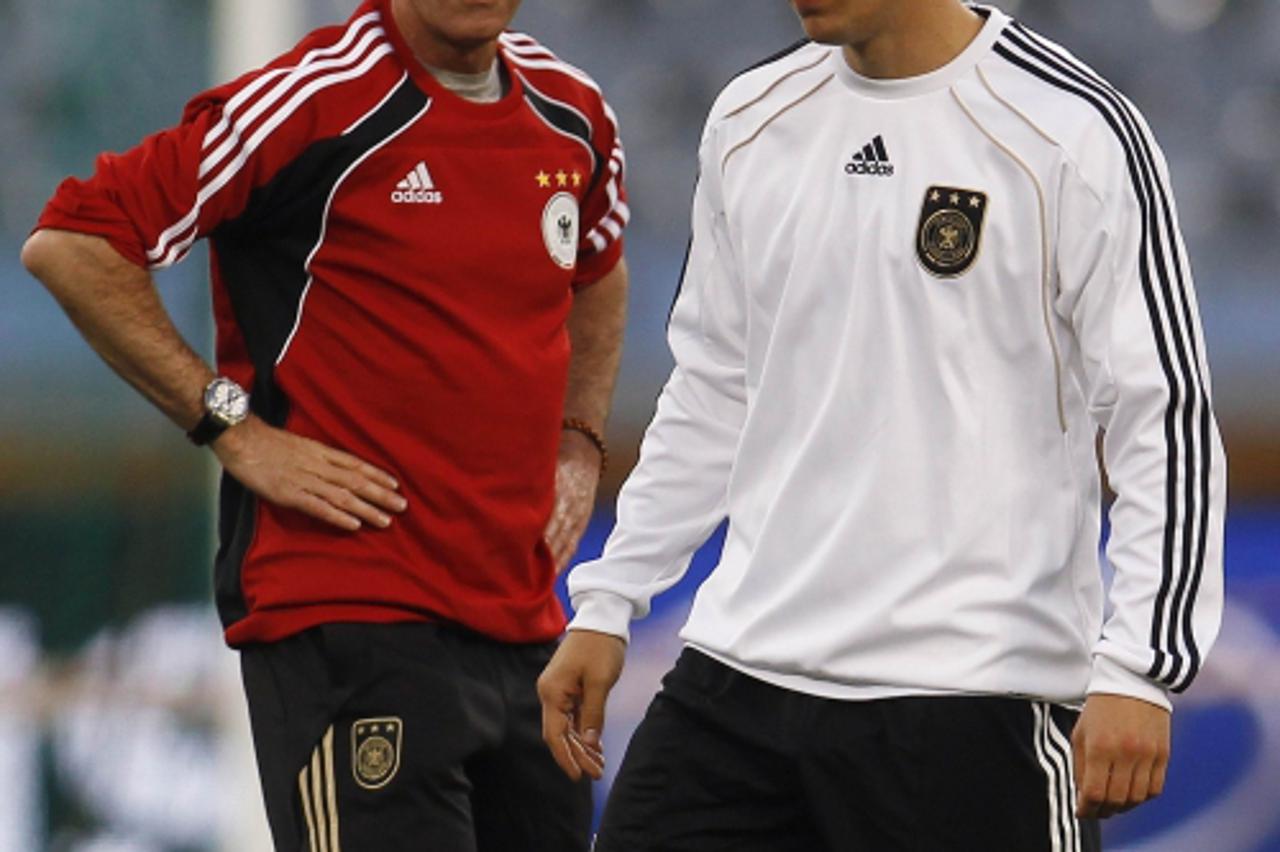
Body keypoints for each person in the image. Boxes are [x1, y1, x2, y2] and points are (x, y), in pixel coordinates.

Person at [538, 1, 1225, 849]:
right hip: (740, 679)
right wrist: (610, 600)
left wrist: (1141, 668)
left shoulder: (1072, 131)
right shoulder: (752, 116)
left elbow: (1165, 417)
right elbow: (715, 386)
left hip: (975, 702)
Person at [21, 0, 628, 848]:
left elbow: (600, 266)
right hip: (349, 611)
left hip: (522, 618)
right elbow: (74, 239)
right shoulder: (315, 100)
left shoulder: (573, 111)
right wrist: (234, 428)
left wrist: (581, 440)